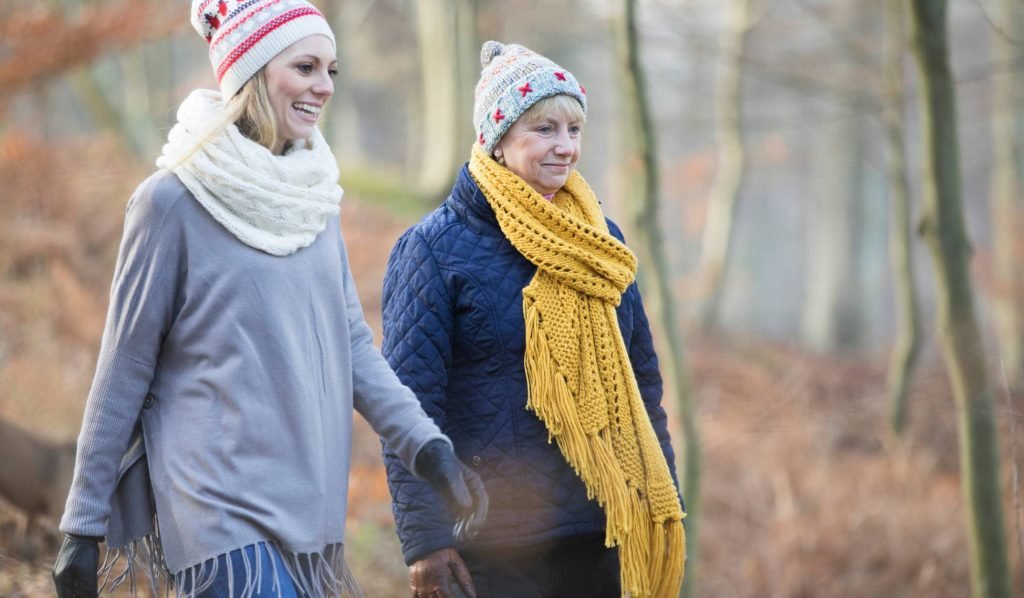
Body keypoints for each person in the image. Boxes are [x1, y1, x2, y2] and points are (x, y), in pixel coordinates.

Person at [50, 1, 487, 596]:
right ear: (251, 73)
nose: (323, 86)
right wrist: (83, 524)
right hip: (216, 513)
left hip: (308, 507)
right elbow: (123, 365)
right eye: (305, 67)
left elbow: (353, 346)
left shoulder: (313, 205)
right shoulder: (170, 203)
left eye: (331, 70)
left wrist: (427, 446)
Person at [380, 41, 686, 598]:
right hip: (494, 543)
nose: (565, 147)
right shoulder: (432, 249)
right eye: (544, 129)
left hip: (605, 528)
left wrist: (661, 494)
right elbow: (406, 405)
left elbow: (642, 385)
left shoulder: (600, 242)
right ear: (497, 140)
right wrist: (425, 540)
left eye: (574, 129)